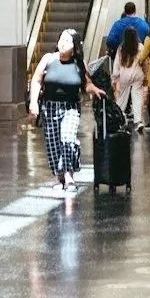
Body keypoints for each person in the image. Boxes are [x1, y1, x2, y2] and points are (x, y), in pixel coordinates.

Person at [29, 29, 98, 199]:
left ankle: (69, 176)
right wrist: (33, 103)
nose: (62, 43)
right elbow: (37, 80)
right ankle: (59, 177)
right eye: (61, 39)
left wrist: (94, 89)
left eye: (67, 41)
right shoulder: (48, 59)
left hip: (71, 107)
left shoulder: (79, 64)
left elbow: (86, 84)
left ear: (74, 46)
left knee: (67, 139)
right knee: (53, 144)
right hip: (49, 107)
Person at [109, 31, 148, 135]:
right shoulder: (140, 47)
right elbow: (144, 62)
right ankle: (138, 121)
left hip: (124, 75)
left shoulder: (121, 48)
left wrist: (114, 78)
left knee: (122, 98)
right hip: (137, 74)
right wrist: (146, 75)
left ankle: (119, 118)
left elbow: (116, 65)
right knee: (137, 97)